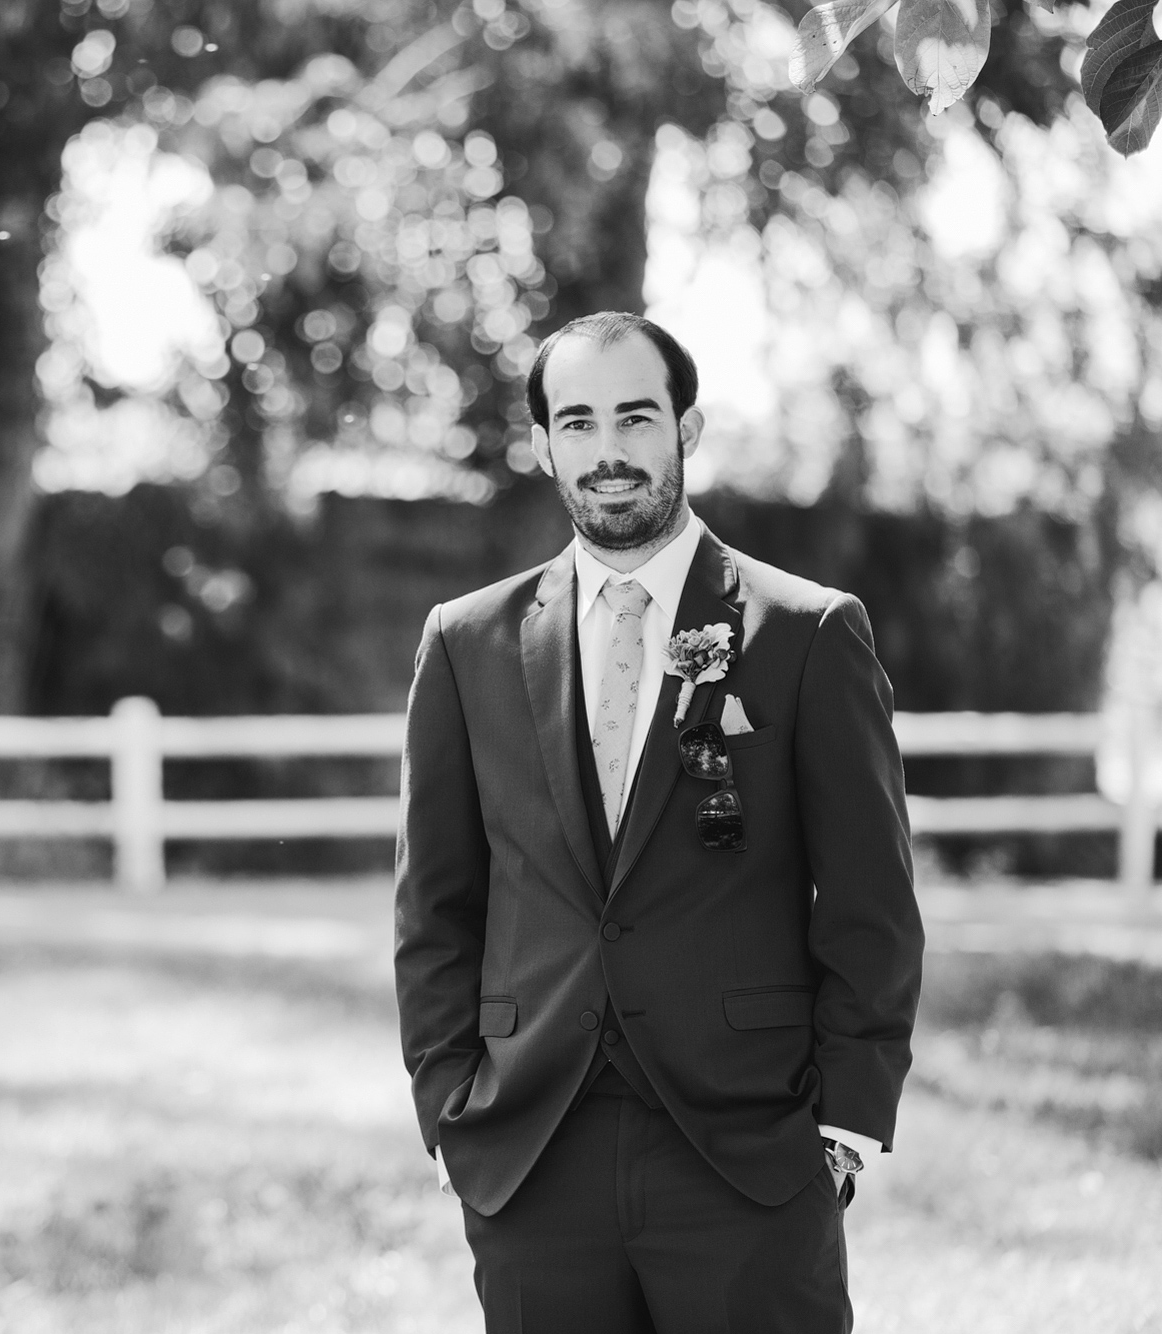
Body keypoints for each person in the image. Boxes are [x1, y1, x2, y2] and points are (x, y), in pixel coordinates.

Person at [393, 311, 922, 1333]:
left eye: (634, 417)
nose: (608, 451)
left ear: (686, 427)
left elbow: (869, 901)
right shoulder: (463, 643)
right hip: (531, 1145)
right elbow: (434, 902)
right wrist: (449, 1102)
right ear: (543, 444)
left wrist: (841, 1128)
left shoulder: (806, 632)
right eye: (577, 423)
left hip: (746, 1149)